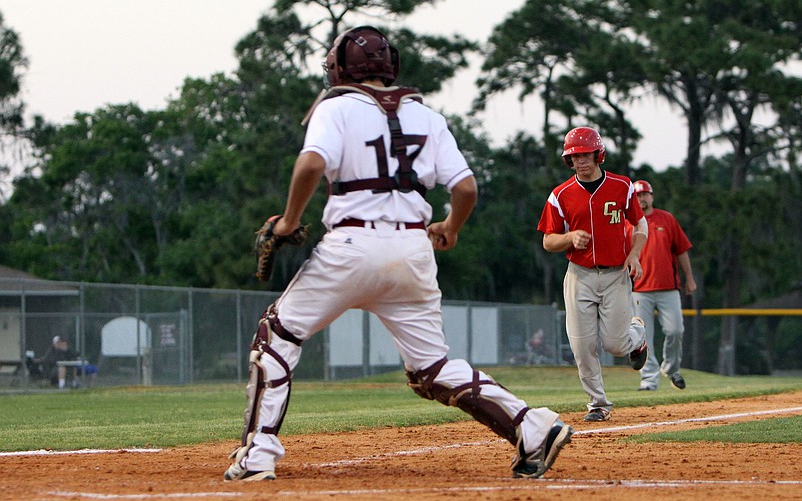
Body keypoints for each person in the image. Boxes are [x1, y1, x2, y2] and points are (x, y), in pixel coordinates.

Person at [223, 26, 573, 482]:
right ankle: (532, 425)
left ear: (343, 67)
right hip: (413, 248)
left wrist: (288, 222)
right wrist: (449, 227)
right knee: (432, 368)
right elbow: (465, 187)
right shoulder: (426, 115)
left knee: (279, 335)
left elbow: (311, 163)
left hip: (351, 246)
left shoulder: (337, 106)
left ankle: (257, 455)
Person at [537, 127, 649, 422]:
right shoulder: (560, 195)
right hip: (579, 275)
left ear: (598, 154)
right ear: (568, 160)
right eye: (574, 156)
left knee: (615, 344)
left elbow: (640, 226)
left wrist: (634, 254)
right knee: (582, 345)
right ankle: (598, 404)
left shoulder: (621, 186)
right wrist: (569, 237)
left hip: (615, 274)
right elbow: (548, 240)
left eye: (585, 155)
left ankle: (637, 336)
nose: (581, 161)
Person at [631, 180, 697, 391]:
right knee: (643, 337)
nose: (642, 199)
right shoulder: (627, 223)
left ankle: (670, 368)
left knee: (675, 330)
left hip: (668, 287)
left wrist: (690, 278)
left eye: (645, 194)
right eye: (638, 195)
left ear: (652, 196)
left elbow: (681, 250)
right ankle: (649, 380)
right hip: (639, 289)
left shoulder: (666, 219)